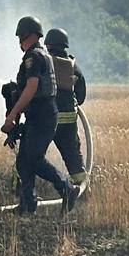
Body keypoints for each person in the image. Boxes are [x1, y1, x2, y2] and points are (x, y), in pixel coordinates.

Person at [1, 16, 77, 215]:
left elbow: (31, 87)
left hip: (43, 116)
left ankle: (67, 189)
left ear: (29, 35)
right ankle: (28, 203)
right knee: (23, 161)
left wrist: (12, 115)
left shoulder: (33, 57)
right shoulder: (40, 55)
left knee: (34, 158)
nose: (19, 41)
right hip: (38, 115)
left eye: (21, 36)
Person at [44, 27, 88, 188]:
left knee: (33, 155)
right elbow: (80, 97)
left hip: (47, 119)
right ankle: (81, 188)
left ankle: (26, 190)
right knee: (73, 157)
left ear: (48, 44)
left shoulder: (44, 62)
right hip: (69, 122)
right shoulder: (74, 67)